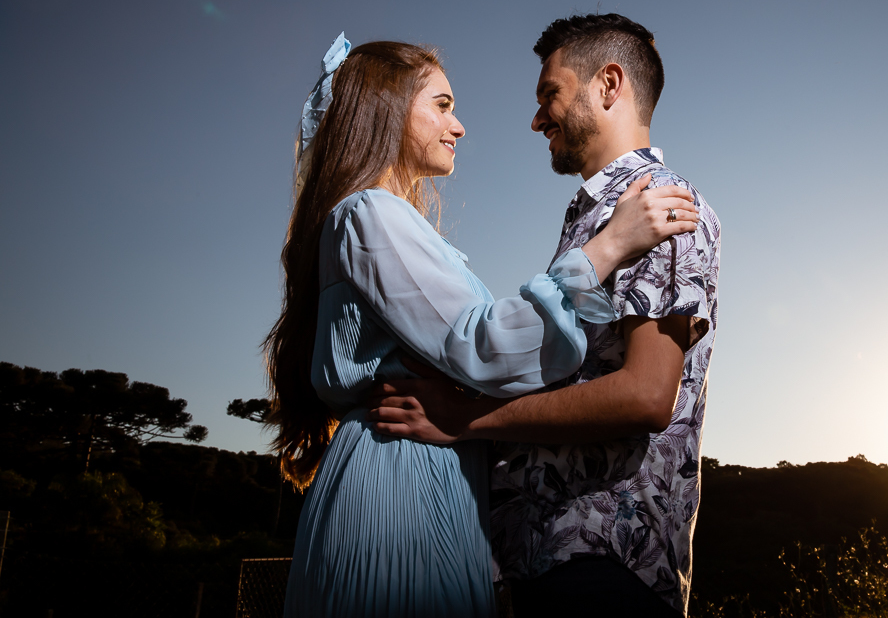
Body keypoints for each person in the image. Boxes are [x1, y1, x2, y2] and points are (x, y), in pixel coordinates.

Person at [267, 34, 699, 618]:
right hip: (400, 478)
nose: (460, 125)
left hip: (439, 478)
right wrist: (609, 246)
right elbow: (481, 343)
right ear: (386, 107)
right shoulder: (367, 212)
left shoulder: (389, 222)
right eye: (442, 105)